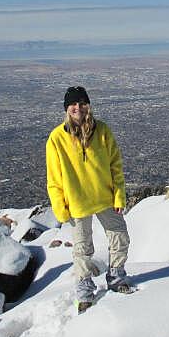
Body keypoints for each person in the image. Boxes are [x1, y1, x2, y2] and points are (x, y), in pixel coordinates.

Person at [46, 86, 133, 314]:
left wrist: (119, 194)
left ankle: (116, 276)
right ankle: (84, 289)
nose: (78, 107)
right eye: (73, 104)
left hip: (105, 197)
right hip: (77, 202)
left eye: (82, 103)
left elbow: (116, 166)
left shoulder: (102, 131)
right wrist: (59, 206)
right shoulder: (56, 139)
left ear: (88, 106)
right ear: (67, 108)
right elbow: (53, 178)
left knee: (120, 237)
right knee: (83, 248)